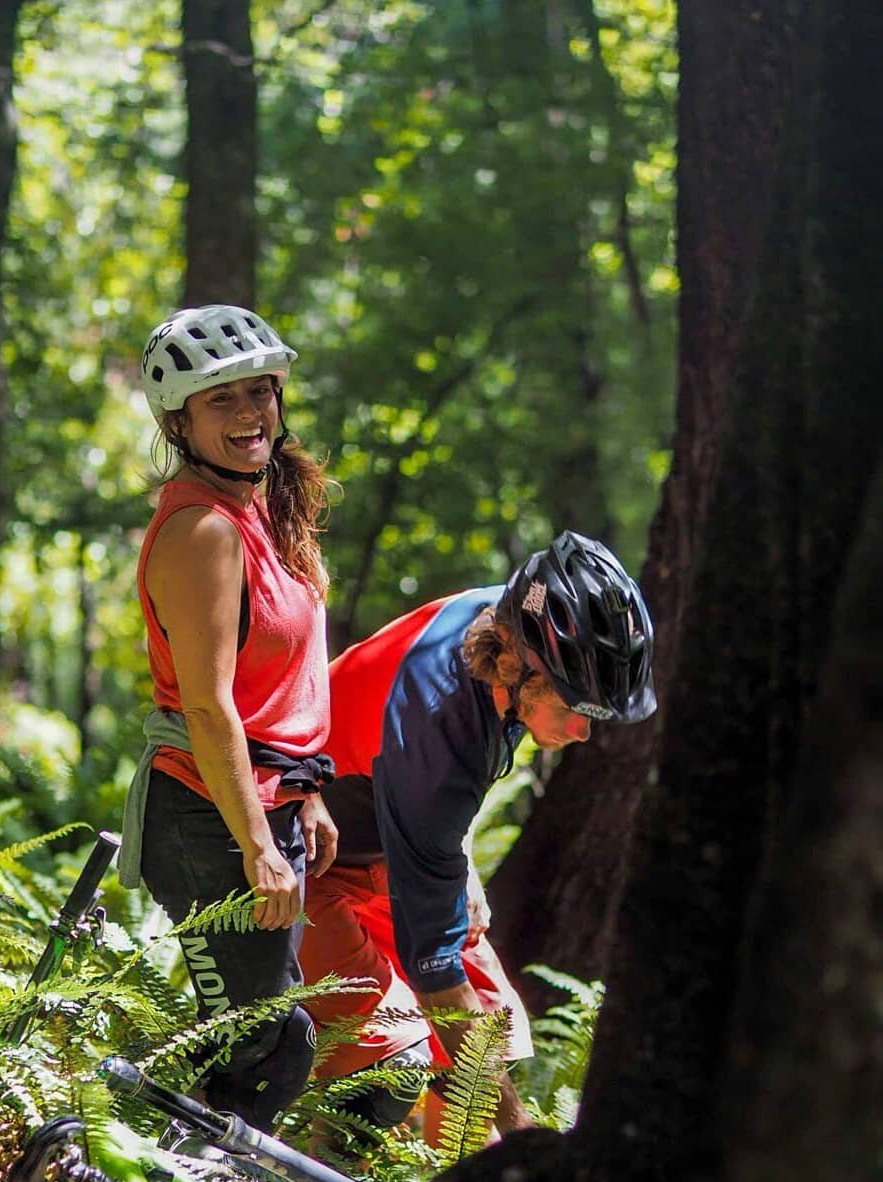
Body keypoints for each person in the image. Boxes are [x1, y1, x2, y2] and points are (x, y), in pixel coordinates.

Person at [299, 530, 657, 1138]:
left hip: (386, 839)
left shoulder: (506, 623)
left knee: (496, 1037)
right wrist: (523, 1140)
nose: (584, 733)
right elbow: (437, 979)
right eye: (581, 710)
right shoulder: (439, 736)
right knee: (387, 1071)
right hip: (300, 856)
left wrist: (461, 859)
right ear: (522, 668)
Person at [118, 303, 338, 1132]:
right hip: (209, 816)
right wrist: (255, 843)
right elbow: (208, 706)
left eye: (260, 391)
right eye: (222, 399)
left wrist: (307, 792)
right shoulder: (203, 530)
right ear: (179, 419)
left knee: (263, 1042)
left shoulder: (264, 511)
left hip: (267, 803)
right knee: (261, 1044)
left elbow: (285, 684)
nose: (251, 413)